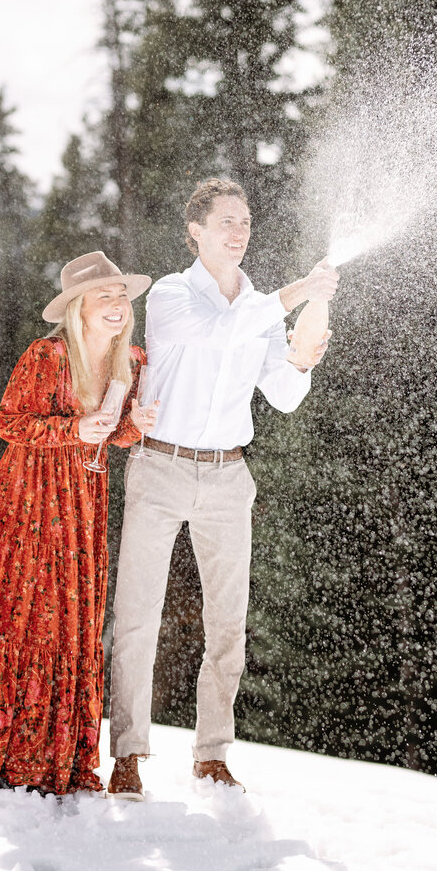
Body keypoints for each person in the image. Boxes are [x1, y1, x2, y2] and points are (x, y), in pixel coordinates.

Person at [108, 178, 338, 799]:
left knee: (228, 624)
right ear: (196, 231)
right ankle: (127, 753)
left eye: (245, 222)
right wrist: (299, 292)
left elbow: (283, 396)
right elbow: (219, 332)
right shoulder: (170, 296)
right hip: (159, 468)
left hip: (229, 476)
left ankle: (211, 754)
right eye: (226, 222)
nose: (239, 232)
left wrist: (302, 358)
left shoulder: (262, 308)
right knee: (137, 618)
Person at [0, 251, 157, 796]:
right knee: (25, 614)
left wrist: (134, 424)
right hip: (31, 499)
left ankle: (55, 760)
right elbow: (9, 422)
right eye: (103, 296)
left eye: (121, 296)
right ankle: (7, 754)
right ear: (78, 307)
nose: (116, 305)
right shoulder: (48, 355)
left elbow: (114, 436)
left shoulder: (129, 360)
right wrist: (73, 430)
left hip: (84, 500)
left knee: (71, 622)